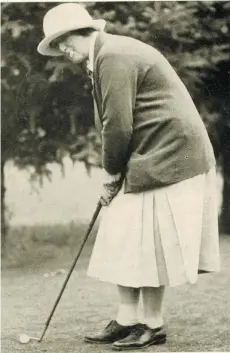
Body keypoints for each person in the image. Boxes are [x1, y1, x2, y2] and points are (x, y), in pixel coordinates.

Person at [38, 3, 220, 351]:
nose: (61, 49)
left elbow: (117, 125)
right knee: (124, 234)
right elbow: (116, 121)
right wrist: (117, 170)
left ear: (82, 31)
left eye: (62, 40)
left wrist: (110, 174)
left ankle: (152, 324)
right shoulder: (104, 55)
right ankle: (126, 318)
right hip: (149, 154)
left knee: (149, 241)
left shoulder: (114, 55)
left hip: (170, 155)